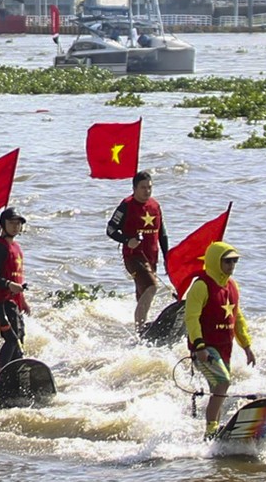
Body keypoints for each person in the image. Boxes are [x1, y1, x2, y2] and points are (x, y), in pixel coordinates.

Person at [185, 241, 256, 437]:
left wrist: (247, 346)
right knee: (223, 382)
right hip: (205, 349)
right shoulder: (201, 286)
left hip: (225, 347)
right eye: (227, 261)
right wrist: (199, 346)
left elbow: (237, 318)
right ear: (216, 262)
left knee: (218, 388)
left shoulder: (233, 286)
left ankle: (211, 431)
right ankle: (211, 429)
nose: (231, 266)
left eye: (234, 261)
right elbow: (191, 317)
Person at [106, 170, 170, 328]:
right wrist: (127, 240)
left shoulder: (155, 206)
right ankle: (141, 329)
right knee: (152, 286)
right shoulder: (126, 206)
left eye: (149, 187)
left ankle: (141, 329)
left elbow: (162, 234)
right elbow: (110, 229)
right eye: (143, 188)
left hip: (152, 257)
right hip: (133, 257)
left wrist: (168, 258)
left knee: (143, 294)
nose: (147, 191)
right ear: (134, 188)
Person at [0, 208, 30, 370]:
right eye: (11, 223)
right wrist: (9, 285)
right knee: (11, 339)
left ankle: (15, 374)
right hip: (1, 302)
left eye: (18, 223)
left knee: (20, 336)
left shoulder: (16, 247)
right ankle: (0, 377)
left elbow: (18, 276)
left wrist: (23, 301)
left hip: (14, 301)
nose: (15, 226)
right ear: (3, 224)